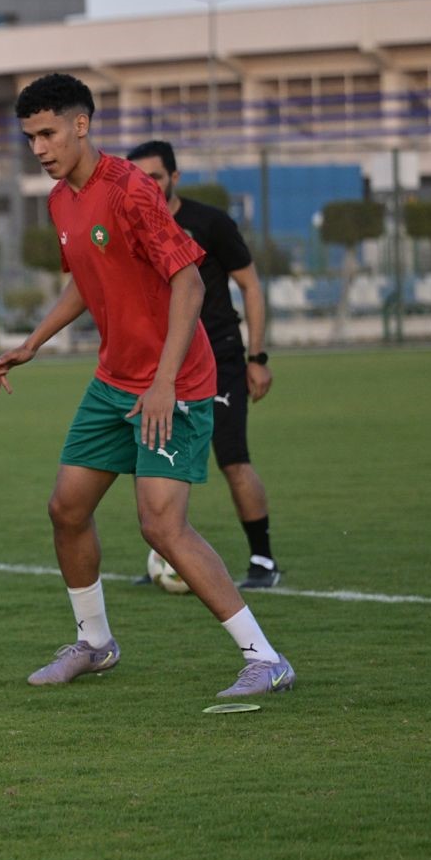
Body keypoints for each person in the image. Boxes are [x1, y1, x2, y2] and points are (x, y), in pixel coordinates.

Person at [0, 73, 295, 698]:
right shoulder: (59, 201)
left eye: (48, 133)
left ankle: (265, 658)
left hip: (176, 381)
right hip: (113, 379)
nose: (39, 148)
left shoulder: (130, 191)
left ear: (82, 124)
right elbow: (86, 277)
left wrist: (160, 384)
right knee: (66, 508)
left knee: (161, 525)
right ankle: (95, 644)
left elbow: (187, 282)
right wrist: (34, 341)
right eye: (30, 138)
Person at [126, 140, 280, 589]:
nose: (146, 186)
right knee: (157, 462)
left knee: (233, 458)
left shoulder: (209, 223)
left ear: (174, 177)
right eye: (137, 178)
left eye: (153, 176)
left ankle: (263, 561)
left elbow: (250, 286)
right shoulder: (131, 226)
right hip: (162, 366)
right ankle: (165, 559)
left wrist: (258, 357)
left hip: (219, 358)